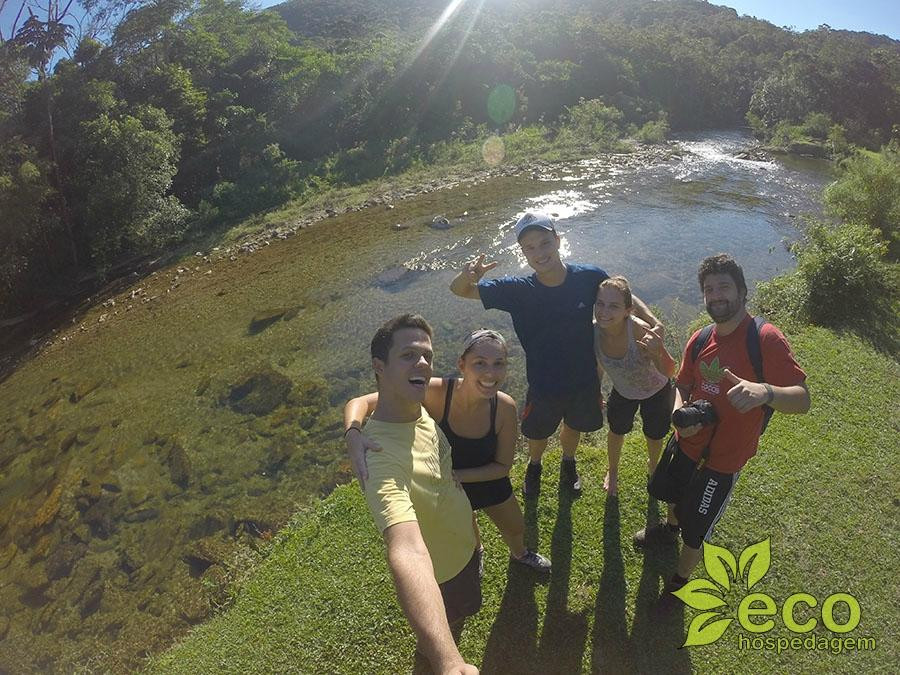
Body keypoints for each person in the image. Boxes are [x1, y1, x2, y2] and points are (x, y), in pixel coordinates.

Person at [633, 254, 810, 608]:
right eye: (709, 289)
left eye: (724, 287)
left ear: (743, 291)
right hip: (687, 442)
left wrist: (766, 392)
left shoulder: (766, 339)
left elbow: (803, 399)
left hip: (724, 460)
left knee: (697, 527)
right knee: (669, 491)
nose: (716, 295)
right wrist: (680, 410)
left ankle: (679, 582)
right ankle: (668, 531)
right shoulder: (699, 338)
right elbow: (681, 383)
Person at [449, 210, 660, 498]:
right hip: (543, 382)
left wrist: (653, 323)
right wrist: (467, 276)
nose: (539, 252)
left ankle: (568, 463)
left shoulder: (589, 276)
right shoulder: (516, 290)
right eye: (530, 247)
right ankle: (534, 466)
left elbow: (624, 296)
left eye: (544, 243)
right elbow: (460, 291)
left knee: (573, 426)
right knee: (537, 434)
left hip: (584, 379)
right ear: (523, 252)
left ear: (558, 241)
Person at [346, 329, 551, 573]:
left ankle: (520, 554)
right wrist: (353, 433)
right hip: (449, 486)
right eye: (480, 363)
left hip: (486, 478)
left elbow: (502, 467)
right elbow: (361, 402)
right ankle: (477, 553)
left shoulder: (504, 407)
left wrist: (458, 476)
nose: (490, 373)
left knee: (516, 526)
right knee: (466, 525)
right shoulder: (436, 391)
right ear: (461, 365)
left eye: (499, 364)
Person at [345, 314, 480, 674]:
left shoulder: (411, 398)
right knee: (436, 646)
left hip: (467, 549)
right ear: (379, 366)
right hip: (441, 575)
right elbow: (407, 550)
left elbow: (361, 399)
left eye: (427, 356)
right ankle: (434, 659)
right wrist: (452, 664)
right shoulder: (379, 456)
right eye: (408, 355)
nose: (422, 363)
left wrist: (351, 428)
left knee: (463, 612)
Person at [593, 275, 677, 496]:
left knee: (654, 434)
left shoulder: (639, 330)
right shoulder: (593, 332)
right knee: (616, 430)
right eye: (600, 304)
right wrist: (596, 390)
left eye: (613, 306)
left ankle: (653, 464)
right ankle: (612, 471)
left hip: (657, 390)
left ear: (627, 310)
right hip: (623, 391)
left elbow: (669, 371)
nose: (604, 312)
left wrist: (657, 351)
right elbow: (598, 364)